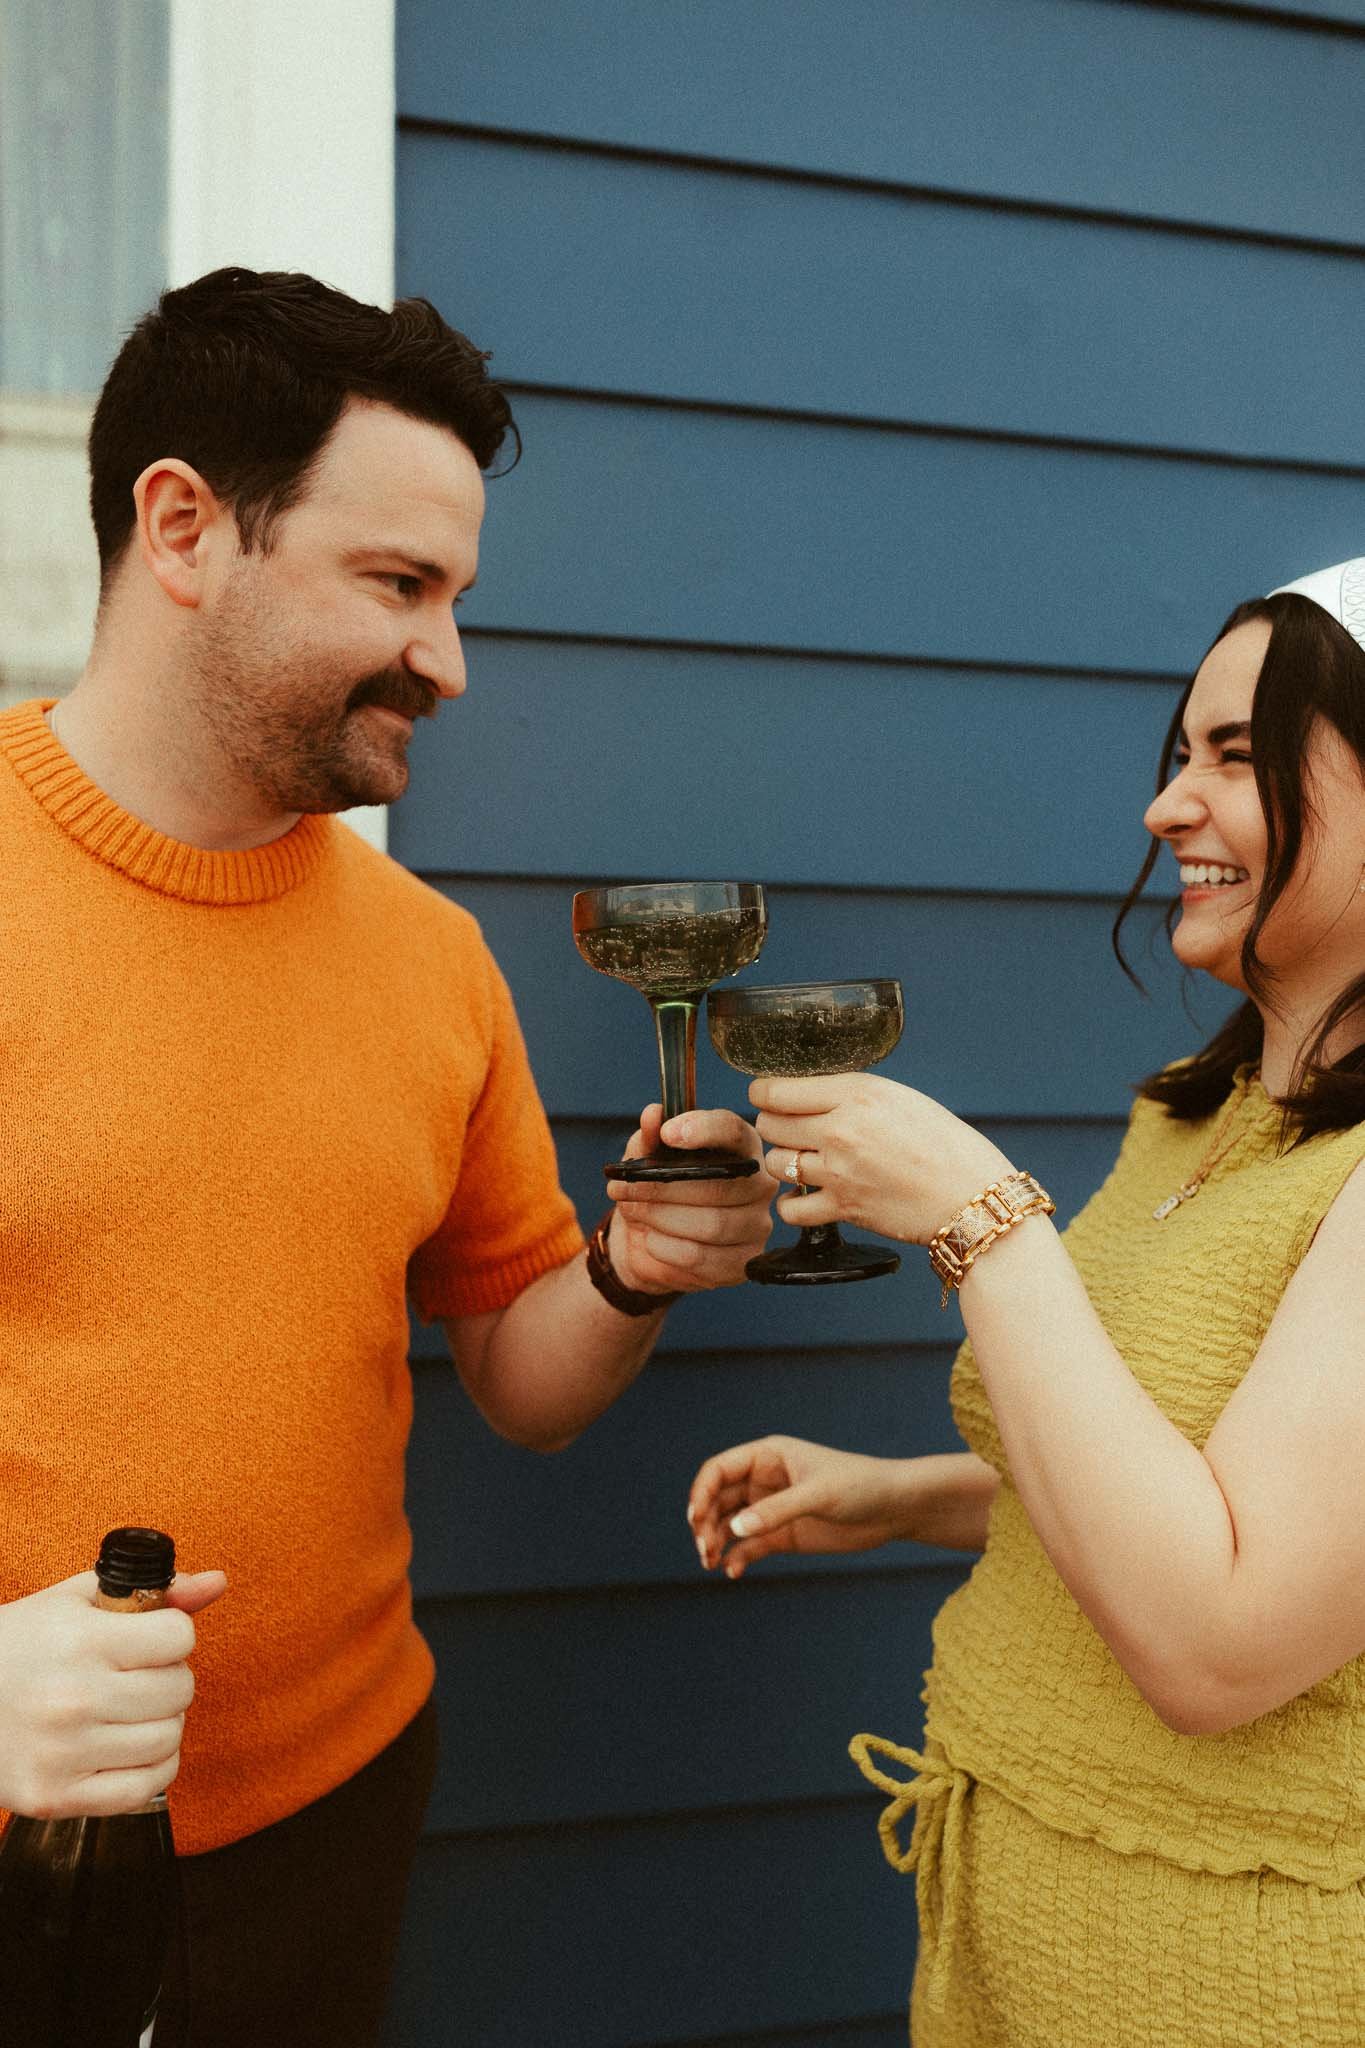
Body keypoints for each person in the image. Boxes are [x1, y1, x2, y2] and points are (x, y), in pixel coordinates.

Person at [0, 266, 775, 2048]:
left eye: (457, 594)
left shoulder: (431, 959)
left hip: (328, 1824)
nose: (449, 658)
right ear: (184, 527)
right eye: (398, 584)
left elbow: (523, 1372)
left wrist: (629, 1269)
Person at [689, 557, 1365, 2045]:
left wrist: (980, 1226)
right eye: (1175, 756)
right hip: (1021, 1931)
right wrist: (901, 1493)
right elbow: (1175, 1486)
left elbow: (1221, 1638)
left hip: (1232, 1983)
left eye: (1235, 760)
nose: (1165, 808)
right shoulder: (1187, 1122)